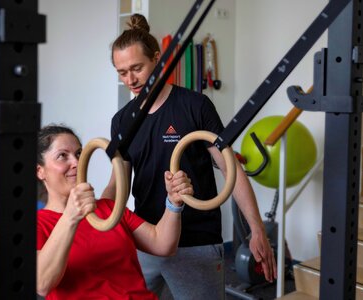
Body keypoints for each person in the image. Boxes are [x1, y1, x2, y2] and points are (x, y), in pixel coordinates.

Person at [103, 14, 277, 299]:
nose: (130, 79)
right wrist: (95, 218)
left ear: (157, 59)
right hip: (145, 239)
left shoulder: (195, 106)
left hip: (196, 243)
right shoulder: (122, 121)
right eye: (122, 72)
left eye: (137, 68)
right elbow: (116, 185)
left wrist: (256, 229)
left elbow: (231, 170)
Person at [36, 125, 194, 299]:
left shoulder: (108, 207)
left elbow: (163, 244)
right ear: (40, 171)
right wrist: (70, 216)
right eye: (62, 156)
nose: (76, 162)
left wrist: (173, 202)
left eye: (79, 154)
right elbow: (42, 284)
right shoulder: (37, 224)